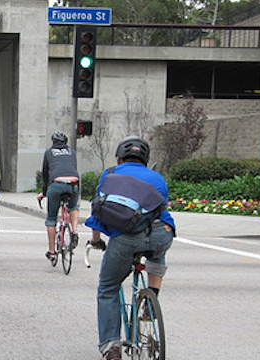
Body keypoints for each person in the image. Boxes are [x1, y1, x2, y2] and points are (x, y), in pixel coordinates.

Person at [85, 136, 176, 360]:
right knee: (158, 251)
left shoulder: (110, 174)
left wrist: (96, 240)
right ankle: (151, 298)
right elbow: (159, 208)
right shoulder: (158, 178)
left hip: (127, 239)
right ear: (145, 159)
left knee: (107, 287)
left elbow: (99, 210)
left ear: (118, 158)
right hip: (161, 232)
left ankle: (111, 346)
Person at [36, 131, 81, 262]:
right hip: (74, 183)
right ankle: (75, 231)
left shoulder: (49, 152)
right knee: (73, 207)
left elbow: (45, 174)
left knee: (51, 219)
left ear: (53, 142)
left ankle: (52, 252)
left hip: (57, 184)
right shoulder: (72, 152)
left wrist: (44, 193)